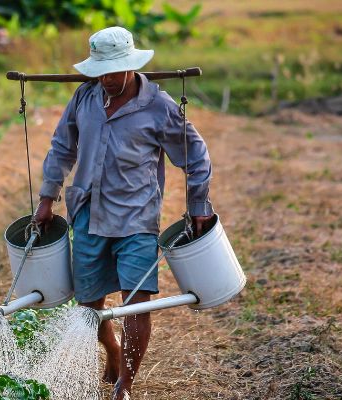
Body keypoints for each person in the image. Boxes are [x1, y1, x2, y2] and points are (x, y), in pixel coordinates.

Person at [33, 26, 216, 400]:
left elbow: (196, 156)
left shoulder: (159, 107)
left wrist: (198, 205)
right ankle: (113, 351)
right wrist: (47, 197)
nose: (108, 79)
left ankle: (124, 385)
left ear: (132, 66)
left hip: (136, 218)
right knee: (88, 306)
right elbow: (61, 148)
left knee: (136, 303)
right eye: (102, 71)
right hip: (87, 214)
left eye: (115, 71)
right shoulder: (84, 97)